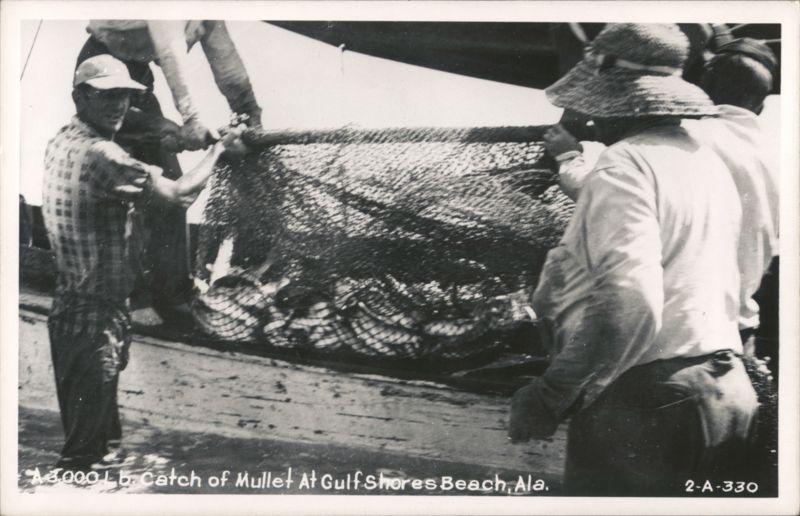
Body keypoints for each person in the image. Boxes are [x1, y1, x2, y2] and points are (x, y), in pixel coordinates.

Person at [508, 24, 759, 495]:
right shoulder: (704, 160)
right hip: (727, 393)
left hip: (649, 406)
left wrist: (549, 395)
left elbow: (631, 299)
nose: (587, 117)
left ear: (612, 100)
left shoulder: (624, 164)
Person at [42, 54, 246, 470]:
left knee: (99, 445)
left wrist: (169, 139)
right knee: (84, 457)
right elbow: (179, 193)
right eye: (106, 96)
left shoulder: (61, 140)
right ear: (79, 97)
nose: (118, 105)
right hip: (95, 320)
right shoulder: (104, 155)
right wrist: (220, 149)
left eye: (124, 96)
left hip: (68, 313)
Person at [75, 20, 263, 323]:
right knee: (125, 190)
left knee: (172, 183)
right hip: (101, 75)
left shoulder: (208, 13)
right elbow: (171, 55)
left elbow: (227, 65)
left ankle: (173, 296)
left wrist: (250, 115)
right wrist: (190, 120)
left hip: (138, 81)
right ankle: (134, 298)